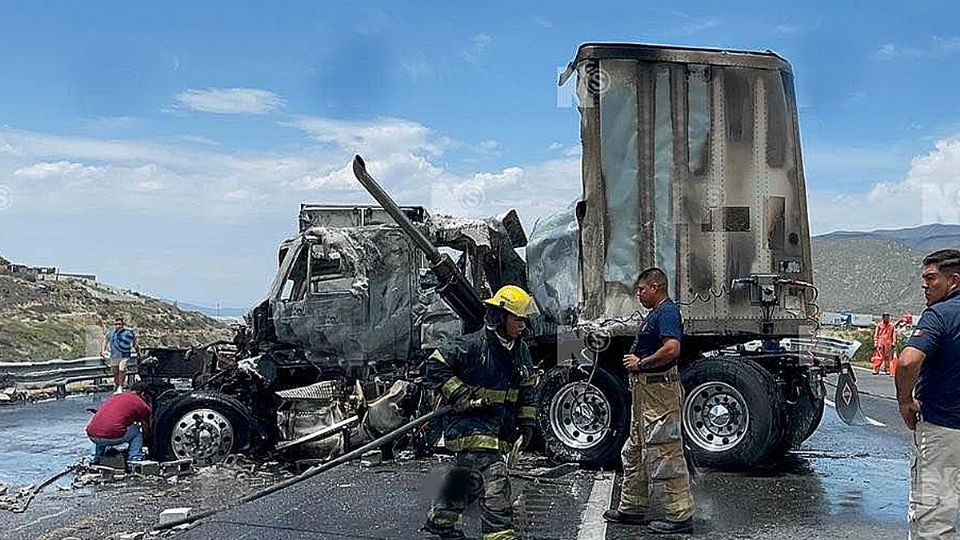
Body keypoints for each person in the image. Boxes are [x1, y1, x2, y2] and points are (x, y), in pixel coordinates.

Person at [422, 285, 540, 540]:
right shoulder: (472, 345)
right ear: (499, 317)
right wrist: (462, 394)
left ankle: (440, 521)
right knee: (495, 478)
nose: (523, 325)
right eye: (517, 319)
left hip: (499, 427)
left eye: (524, 320)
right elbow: (434, 365)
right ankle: (499, 534)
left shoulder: (520, 350)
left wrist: (527, 422)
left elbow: (527, 389)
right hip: (471, 426)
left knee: (468, 480)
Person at [604, 267, 695, 535]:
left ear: (655, 287)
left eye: (642, 289)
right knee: (634, 450)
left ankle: (679, 516)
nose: (639, 294)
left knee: (665, 451)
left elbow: (672, 349)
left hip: (659, 394)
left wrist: (640, 363)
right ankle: (632, 508)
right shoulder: (654, 314)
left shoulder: (666, 312)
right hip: (645, 394)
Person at [895, 249, 960, 540]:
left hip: (944, 430)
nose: (924, 285)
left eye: (931, 278)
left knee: (933, 522)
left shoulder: (940, 315)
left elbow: (908, 360)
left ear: (954, 281)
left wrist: (905, 401)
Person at [86, 383, 151, 464]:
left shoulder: (116, 397)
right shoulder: (141, 404)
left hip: (92, 435)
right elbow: (146, 427)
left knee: (102, 428)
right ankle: (134, 459)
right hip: (113, 436)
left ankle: (95, 458)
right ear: (143, 394)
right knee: (136, 432)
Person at [100, 316, 140, 393]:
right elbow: (105, 341)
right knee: (115, 372)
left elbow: (134, 343)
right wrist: (103, 351)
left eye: (119, 324)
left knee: (122, 369)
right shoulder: (111, 333)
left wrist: (138, 352)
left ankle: (121, 386)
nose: (118, 326)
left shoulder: (128, 333)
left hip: (124, 355)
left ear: (123, 324)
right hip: (114, 355)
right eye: (116, 324)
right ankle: (117, 385)